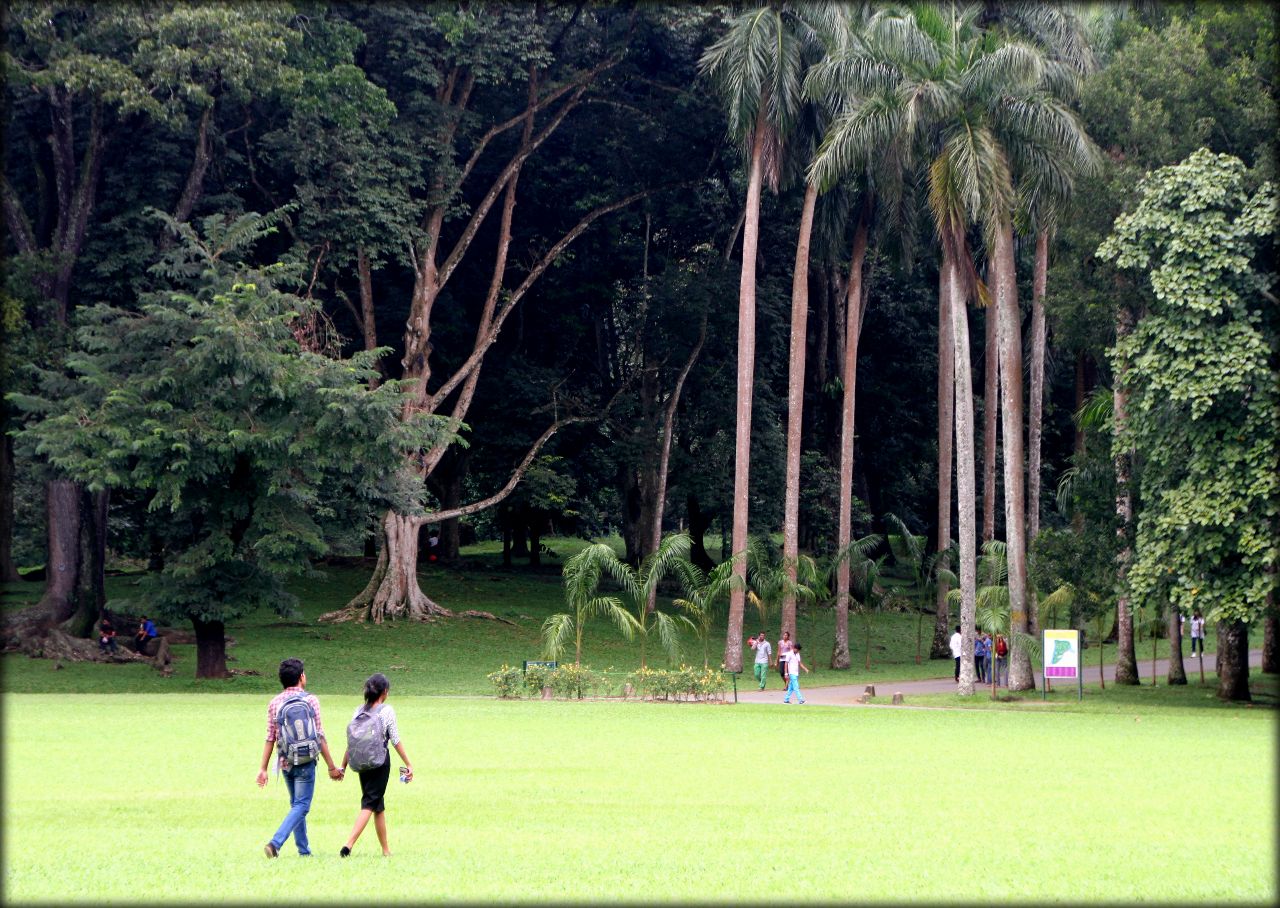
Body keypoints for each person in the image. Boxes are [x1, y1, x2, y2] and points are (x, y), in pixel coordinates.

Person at [257, 658, 342, 858]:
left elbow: (271, 738)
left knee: (297, 804)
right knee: (302, 805)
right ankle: (275, 843)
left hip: (285, 761)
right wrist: (331, 766)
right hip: (307, 761)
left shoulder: (274, 703)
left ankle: (304, 851)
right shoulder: (311, 700)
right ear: (301, 676)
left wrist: (263, 768)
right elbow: (319, 735)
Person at [339, 673, 413, 858]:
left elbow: (352, 743)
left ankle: (386, 850)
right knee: (370, 803)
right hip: (379, 762)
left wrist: (343, 766)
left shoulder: (358, 711)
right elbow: (395, 739)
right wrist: (408, 763)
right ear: (384, 692)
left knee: (377, 805)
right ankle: (348, 845)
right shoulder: (386, 711)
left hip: (361, 761)